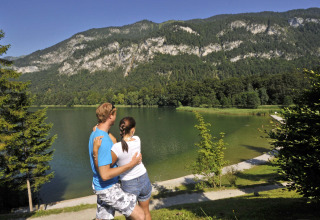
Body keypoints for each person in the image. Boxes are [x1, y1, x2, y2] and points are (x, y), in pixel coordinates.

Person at [89, 103, 145, 220]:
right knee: (140, 215)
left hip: (101, 186)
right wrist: (131, 164)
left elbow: (113, 141)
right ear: (110, 116)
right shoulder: (103, 141)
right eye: (115, 114)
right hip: (108, 188)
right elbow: (105, 175)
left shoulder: (96, 133)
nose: (116, 116)